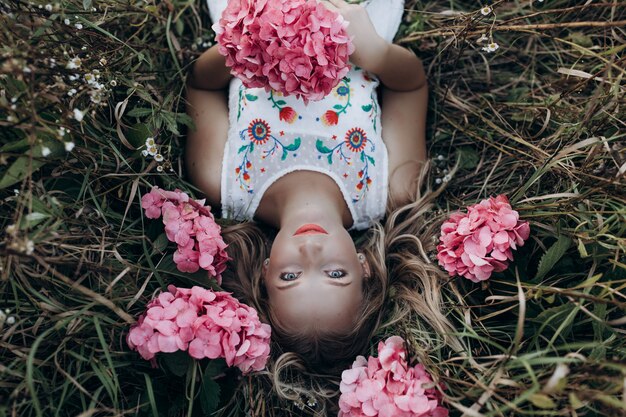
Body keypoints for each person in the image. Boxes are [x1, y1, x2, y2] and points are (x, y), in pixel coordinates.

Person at [185, 0, 461, 412]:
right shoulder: (390, 188)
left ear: (264, 273)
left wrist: (247, 43)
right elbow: (411, 86)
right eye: (335, 273)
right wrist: (375, 51)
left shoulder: (221, 182)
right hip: (354, 15)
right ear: (364, 266)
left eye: (290, 276)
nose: (310, 252)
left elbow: (200, 85)